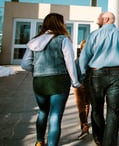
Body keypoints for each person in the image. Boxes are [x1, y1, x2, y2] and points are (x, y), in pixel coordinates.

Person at [21, 13, 81, 146]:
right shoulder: (63, 39)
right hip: (58, 82)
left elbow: (24, 64)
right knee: (55, 116)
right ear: (59, 24)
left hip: (39, 82)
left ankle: (39, 141)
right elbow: (70, 63)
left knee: (42, 112)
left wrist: (38, 70)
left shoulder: (34, 40)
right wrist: (75, 82)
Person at [79, 11, 119, 146]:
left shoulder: (94, 35)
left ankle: (99, 139)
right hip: (117, 74)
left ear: (106, 19)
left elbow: (84, 56)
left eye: (99, 17)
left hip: (96, 75)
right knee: (113, 111)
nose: (97, 19)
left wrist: (82, 75)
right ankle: (109, 143)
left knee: (96, 109)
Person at [74, 39, 90, 140]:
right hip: (87, 85)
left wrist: (75, 83)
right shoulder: (93, 60)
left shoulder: (77, 61)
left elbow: (73, 74)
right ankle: (85, 124)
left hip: (79, 86)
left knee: (81, 107)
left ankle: (84, 127)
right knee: (87, 105)